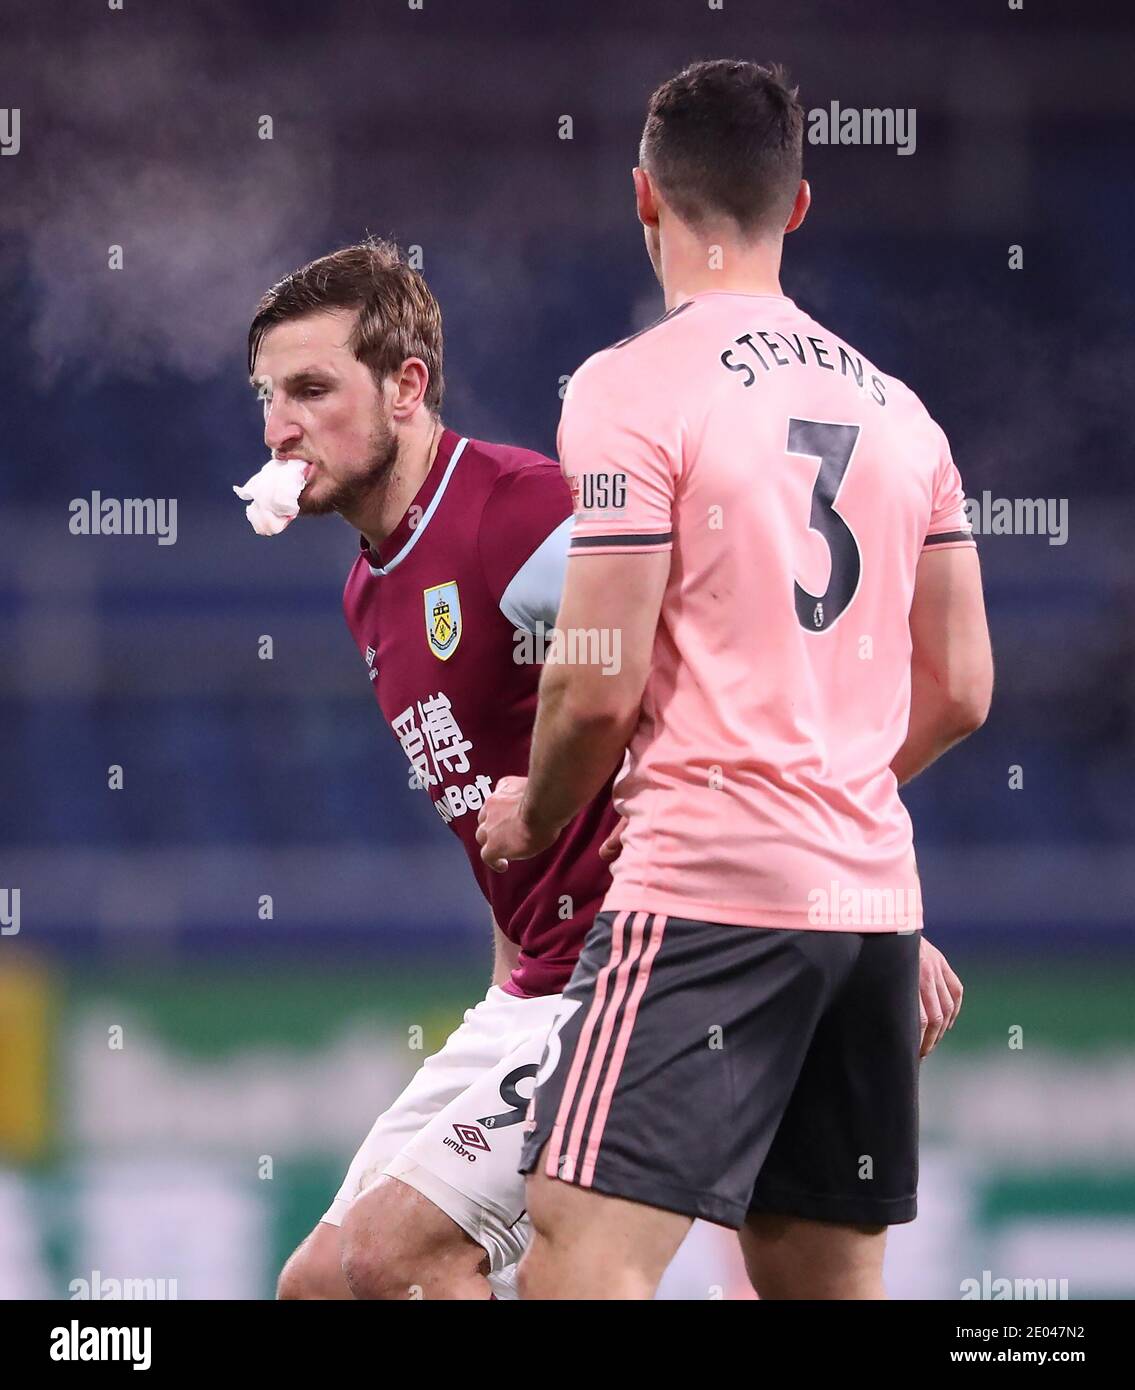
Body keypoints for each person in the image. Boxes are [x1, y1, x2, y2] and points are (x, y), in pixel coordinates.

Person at [476, 59, 992, 1301]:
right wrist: (827, 781)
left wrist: (534, 817)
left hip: (704, 898)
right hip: (870, 913)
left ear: (642, 199)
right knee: (822, 1288)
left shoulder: (628, 387)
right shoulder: (906, 415)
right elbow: (965, 685)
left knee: (580, 1256)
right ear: (798, 206)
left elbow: (593, 677)